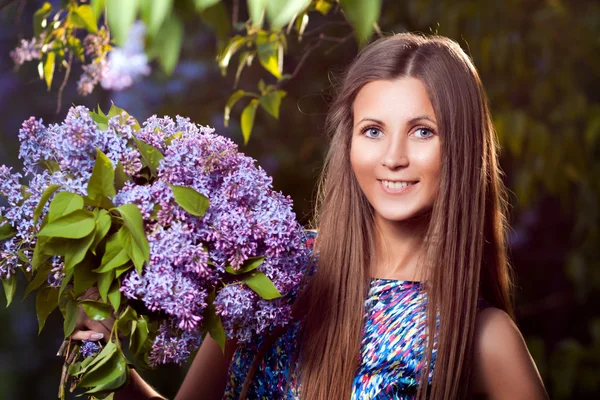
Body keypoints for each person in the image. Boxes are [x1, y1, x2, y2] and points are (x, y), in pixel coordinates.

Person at [72, 33, 549, 400]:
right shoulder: (273, 271)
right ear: (349, 142)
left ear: (462, 148)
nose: (394, 157)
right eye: (373, 130)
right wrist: (107, 360)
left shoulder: (484, 338)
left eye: (423, 131)